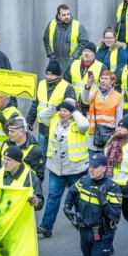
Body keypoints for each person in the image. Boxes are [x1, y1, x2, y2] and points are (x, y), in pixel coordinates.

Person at [63, 153, 122, 256]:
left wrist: (104, 202)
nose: (91, 169)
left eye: (95, 167)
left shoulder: (112, 187)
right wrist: (67, 208)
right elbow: (71, 193)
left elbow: (116, 216)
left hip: (103, 235)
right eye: (90, 166)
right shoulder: (83, 181)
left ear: (104, 168)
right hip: (85, 232)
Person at [0, 145, 45, 256]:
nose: (5, 162)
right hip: (1, 224)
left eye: (9, 160)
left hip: (20, 226)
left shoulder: (30, 177)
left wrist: (35, 202)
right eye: (4, 158)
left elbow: (40, 201)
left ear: (18, 161)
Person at [37, 98, 90, 238]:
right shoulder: (54, 120)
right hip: (56, 168)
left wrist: (75, 111)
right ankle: (46, 227)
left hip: (75, 169)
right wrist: (55, 107)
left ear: (73, 112)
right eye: (61, 110)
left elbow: (85, 126)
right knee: (53, 197)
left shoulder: (78, 123)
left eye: (66, 111)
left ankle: (84, 224)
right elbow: (42, 116)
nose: (62, 113)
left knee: (79, 199)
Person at [26, 60, 76, 166]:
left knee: (57, 154)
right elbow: (35, 104)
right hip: (43, 126)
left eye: (52, 74)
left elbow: (71, 108)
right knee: (42, 154)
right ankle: (41, 176)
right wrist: (29, 121)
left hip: (58, 127)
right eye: (47, 74)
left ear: (58, 74)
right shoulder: (41, 84)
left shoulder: (67, 87)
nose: (49, 76)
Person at [83, 70, 123, 156]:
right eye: (101, 78)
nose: (103, 80)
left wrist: (117, 136)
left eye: (106, 79)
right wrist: (88, 86)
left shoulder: (118, 97)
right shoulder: (94, 93)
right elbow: (85, 99)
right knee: (93, 164)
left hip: (109, 136)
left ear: (112, 81)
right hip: (93, 135)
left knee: (106, 165)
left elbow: (119, 118)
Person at [43, 4, 89, 75]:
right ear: (58, 15)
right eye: (64, 15)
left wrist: (73, 57)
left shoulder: (77, 25)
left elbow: (84, 42)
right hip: (55, 61)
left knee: (69, 84)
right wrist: (50, 54)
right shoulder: (52, 24)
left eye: (68, 14)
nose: (67, 17)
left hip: (72, 63)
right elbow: (46, 39)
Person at [0, 117, 45, 183]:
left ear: (21, 132)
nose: (9, 133)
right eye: (9, 130)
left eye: (12, 131)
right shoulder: (6, 143)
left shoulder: (34, 151)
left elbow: (38, 177)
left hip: (23, 189)